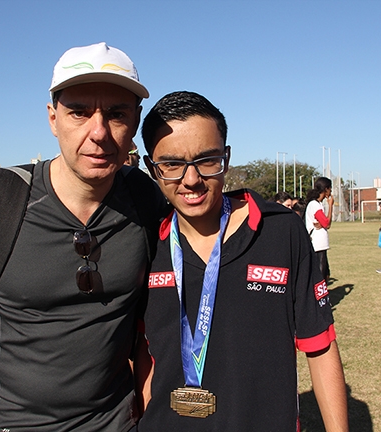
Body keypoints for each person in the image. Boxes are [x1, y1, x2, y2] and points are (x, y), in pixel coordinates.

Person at [0, 42, 167, 432]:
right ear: (53, 119)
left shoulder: (146, 199)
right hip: (11, 422)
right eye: (79, 113)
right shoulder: (1, 197)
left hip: (115, 423)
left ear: (135, 121)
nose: (99, 133)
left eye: (116, 114)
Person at [135, 91, 348, 431]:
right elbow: (143, 356)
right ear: (151, 168)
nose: (191, 180)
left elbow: (320, 347)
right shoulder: (144, 243)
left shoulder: (282, 232)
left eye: (207, 160)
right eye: (172, 165)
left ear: (227, 157)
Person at [305, 177, 334, 283]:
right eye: (330, 189)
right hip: (318, 243)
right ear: (326, 189)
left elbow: (324, 223)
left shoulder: (318, 204)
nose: (330, 191)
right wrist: (331, 205)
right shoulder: (315, 204)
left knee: (325, 271)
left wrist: (323, 224)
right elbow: (327, 223)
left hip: (320, 243)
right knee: (321, 270)